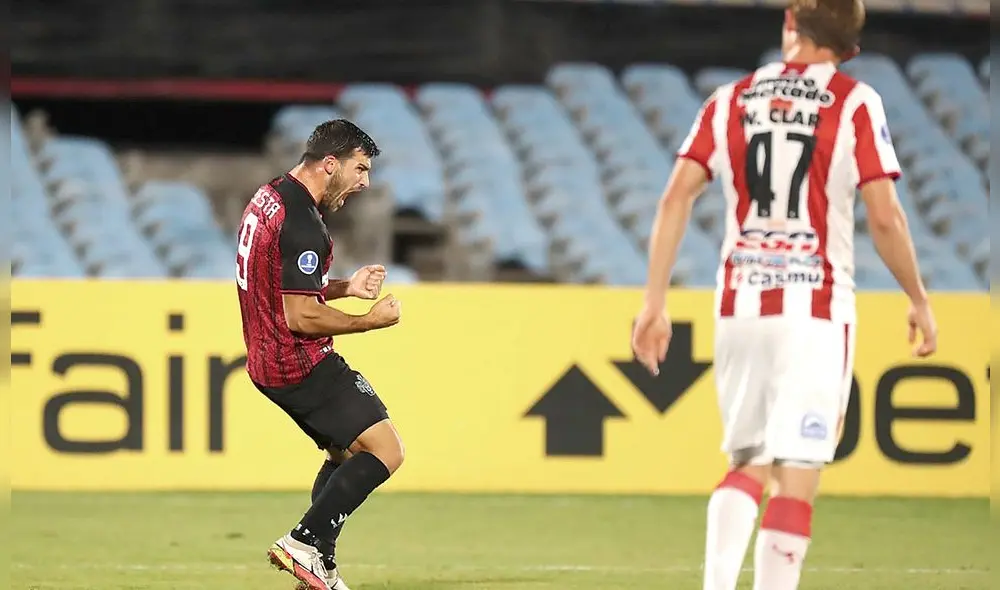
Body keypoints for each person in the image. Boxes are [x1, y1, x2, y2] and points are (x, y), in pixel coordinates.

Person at [630, 2, 938, 589]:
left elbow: (675, 198)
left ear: (791, 22)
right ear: (850, 49)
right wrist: (918, 298)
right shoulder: (855, 102)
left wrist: (654, 302)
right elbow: (885, 217)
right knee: (797, 473)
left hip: (740, 304)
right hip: (815, 310)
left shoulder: (729, 99)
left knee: (747, 463)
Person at [235, 119, 405, 590]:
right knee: (386, 451)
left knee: (345, 452)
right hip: (298, 361)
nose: (364, 182)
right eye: (360, 168)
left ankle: (318, 567)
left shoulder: (270, 197)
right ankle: (305, 544)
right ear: (331, 163)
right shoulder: (304, 223)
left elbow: (283, 285)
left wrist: (345, 287)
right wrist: (369, 319)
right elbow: (301, 316)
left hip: (267, 360)